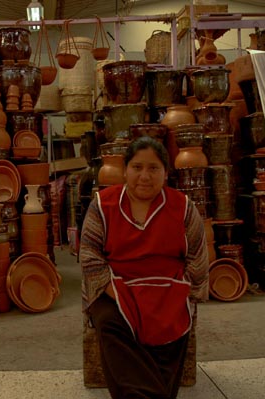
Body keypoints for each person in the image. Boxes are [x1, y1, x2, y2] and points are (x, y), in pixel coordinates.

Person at [80, 136, 209, 399]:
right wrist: (124, 298)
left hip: (167, 289)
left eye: (153, 168)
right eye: (137, 167)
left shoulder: (182, 207)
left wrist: (183, 293)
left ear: (166, 172)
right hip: (114, 288)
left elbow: (197, 256)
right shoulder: (103, 205)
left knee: (173, 324)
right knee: (111, 323)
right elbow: (89, 256)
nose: (145, 176)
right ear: (125, 170)